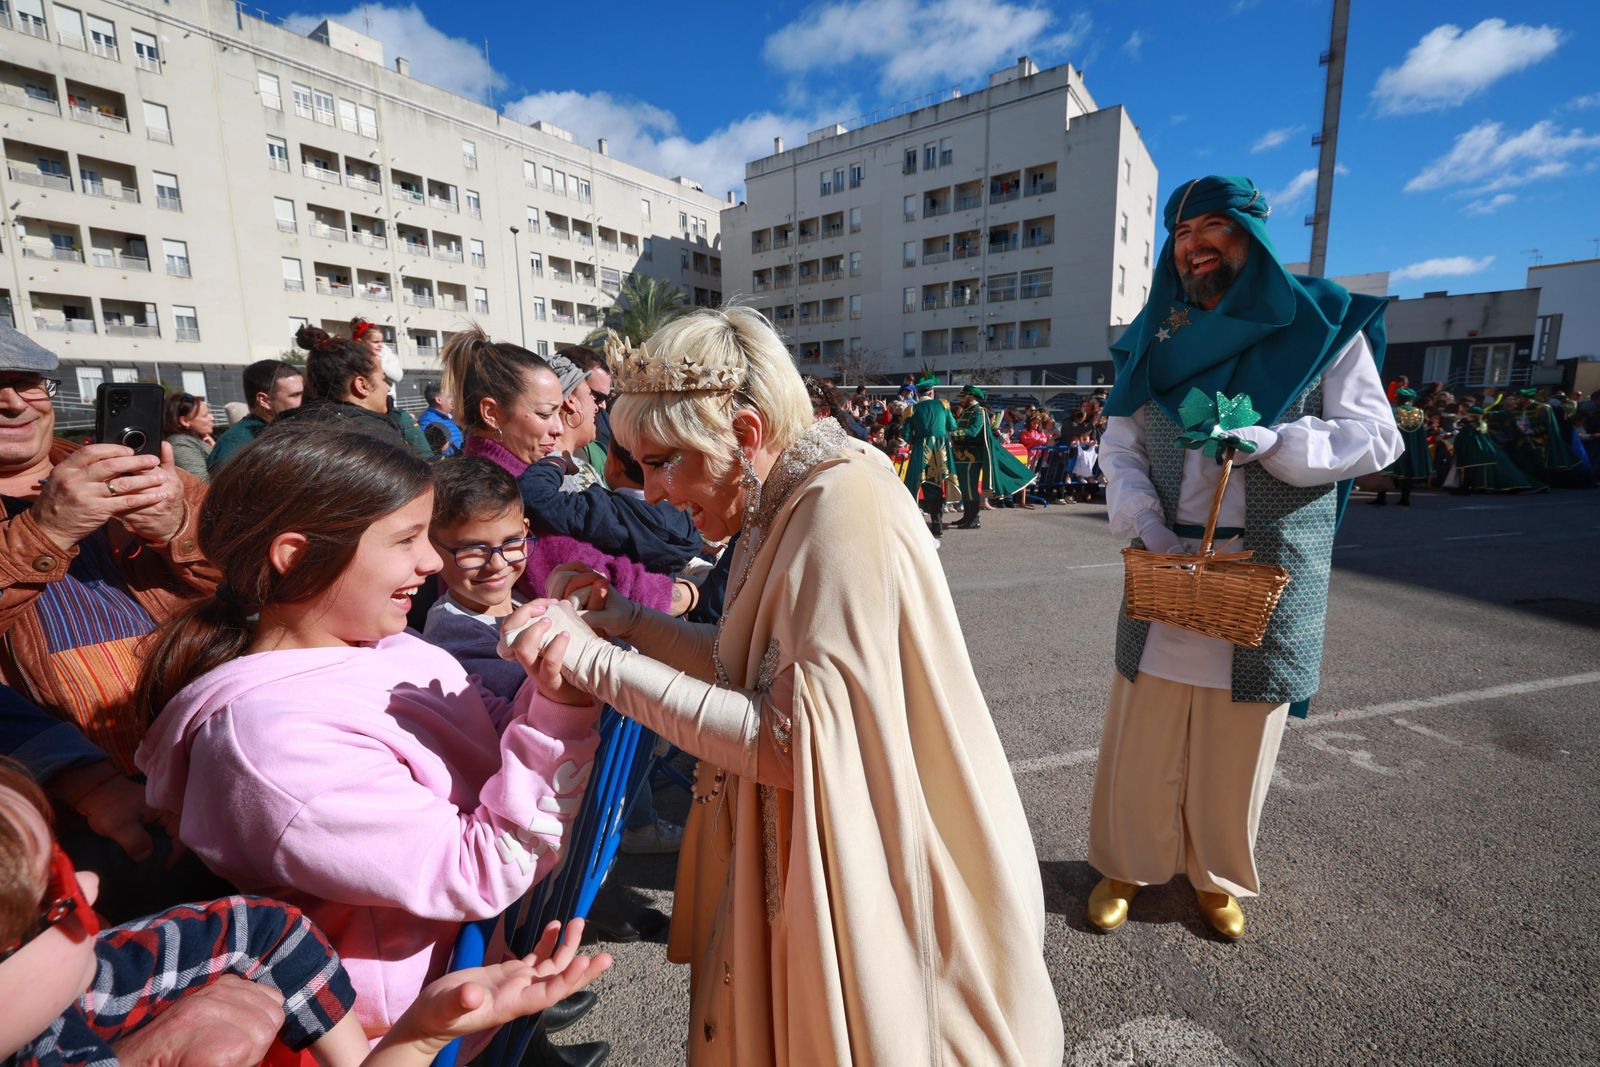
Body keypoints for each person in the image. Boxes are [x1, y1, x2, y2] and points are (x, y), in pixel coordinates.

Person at [518, 309, 1064, 1065]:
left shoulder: (842, 504)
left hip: (867, 864)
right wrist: (625, 621)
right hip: (804, 847)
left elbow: (786, 741)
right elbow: (737, 661)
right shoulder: (783, 495)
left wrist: (597, 663)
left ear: (743, 434)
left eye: (660, 461)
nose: (650, 493)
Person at [133, 426, 604, 1048]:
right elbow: (475, 870)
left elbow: (492, 728)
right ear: (296, 555)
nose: (432, 562)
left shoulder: (388, 644)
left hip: (462, 980)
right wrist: (561, 712)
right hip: (399, 1029)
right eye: (407, 539)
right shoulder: (271, 744)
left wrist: (547, 682)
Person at [1090, 175, 1401, 940]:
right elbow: (1120, 446)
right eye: (1181, 231)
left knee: (1241, 738)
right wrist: (1142, 525)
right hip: (1168, 561)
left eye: (1212, 227)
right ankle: (1125, 863)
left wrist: (1283, 444)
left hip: (1268, 571)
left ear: (1252, 233)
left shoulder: (1324, 321)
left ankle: (1217, 875)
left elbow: (1377, 435)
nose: (1193, 245)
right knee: (1145, 731)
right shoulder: (1154, 333)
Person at [0, 759, 611, 1067]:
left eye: (60, 856)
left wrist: (424, 1030)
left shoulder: (102, 976)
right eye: (57, 892)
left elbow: (265, 931)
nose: (89, 879)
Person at [0, 324, 222, 921]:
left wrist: (179, 529)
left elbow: (254, 587)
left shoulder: (138, 469)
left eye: (25, 381)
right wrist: (45, 531)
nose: (12, 401)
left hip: (213, 777)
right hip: (70, 820)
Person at [442, 329, 693, 617]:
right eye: (545, 414)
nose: (558, 427)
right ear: (491, 413)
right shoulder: (497, 489)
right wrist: (683, 595)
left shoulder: (513, 472)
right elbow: (582, 575)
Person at [421, 457, 537, 700]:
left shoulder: (520, 598)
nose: (498, 564)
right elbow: (537, 692)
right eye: (473, 551)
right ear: (430, 548)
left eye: (512, 542)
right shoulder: (454, 634)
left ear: (525, 531)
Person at [279, 326, 409, 447]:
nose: (387, 387)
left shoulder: (284, 430)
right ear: (362, 385)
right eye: (383, 378)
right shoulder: (376, 438)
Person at [950, 385, 1035, 529]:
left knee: (970, 487)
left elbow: (973, 432)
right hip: (961, 456)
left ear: (971, 397)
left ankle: (974, 518)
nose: (961, 400)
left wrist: (952, 435)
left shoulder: (978, 412)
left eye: (964, 397)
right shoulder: (967, 411)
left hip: (972, 457)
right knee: (964, 487)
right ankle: (967, 516)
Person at [207, 360, 303, 473]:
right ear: (264, 400)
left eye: (303, 394)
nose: (303, 401)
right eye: (295, 395)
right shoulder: (238, 442)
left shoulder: (281, 430)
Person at [897, 375, 959, 538]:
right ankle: (937, 522)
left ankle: (926, 523)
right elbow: (952, 426)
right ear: (932, 392)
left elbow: (906, 435)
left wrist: (917, 440)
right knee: (940, 481)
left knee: (921, 482)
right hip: (941, 447)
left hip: (921, 449)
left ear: (919, 393)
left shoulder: (911, 409)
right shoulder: (943, 405)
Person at [1371, 387, 1431, 507]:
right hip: (1412, 448)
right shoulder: (1420, 413)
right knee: (1407, 473)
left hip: (1394, 446)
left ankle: (1381, 498)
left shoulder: (1392, 411)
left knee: (1387, 472)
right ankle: (1405, 498)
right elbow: (1421, 434)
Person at [163, 393, 215, 482]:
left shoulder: (198, 439)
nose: (212, 418)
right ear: (185, 421)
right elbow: (201, 483)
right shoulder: (180, 444)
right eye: (205, 415)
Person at [417, 382, 463, 457]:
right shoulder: (426, 421)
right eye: (449, 397)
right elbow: (430, 451)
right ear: (439, 400)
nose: (453, 400)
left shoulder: (448, 416)